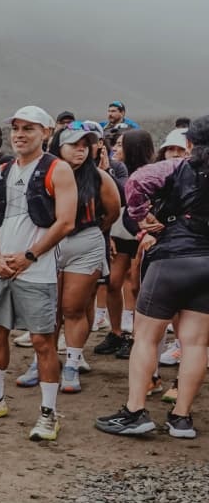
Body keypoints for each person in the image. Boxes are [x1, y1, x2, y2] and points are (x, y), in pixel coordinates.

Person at [0, 106, 76, 441]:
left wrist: (28, 256)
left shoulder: (58, 169)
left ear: (46, 133)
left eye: (29, 128)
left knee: (42, 339)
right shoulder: (2, 171)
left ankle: (49, 412)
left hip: (37, 270)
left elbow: (65, 220)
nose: (20, 134)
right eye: (17, 128)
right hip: (1, 266)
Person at [95, 114, 209, 439]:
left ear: (190, 143)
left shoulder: (176, 168)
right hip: (207, 262)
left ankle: (135, 411)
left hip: (172, 259)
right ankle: (182, 418)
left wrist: (142, 217)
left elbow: (136, 181)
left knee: (146, 335)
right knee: (196, 342)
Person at [17, 124, 119, 393]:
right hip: (49, 242)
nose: (81, 149)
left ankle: (72, 362)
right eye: (74, 144)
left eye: (86, 144)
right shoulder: (42, 176)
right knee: (48, 308)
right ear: (58, 147)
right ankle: (42, 361)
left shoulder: (98, 178)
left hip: (85, 242)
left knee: (73, 307)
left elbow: (112, 212)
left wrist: (94, 230)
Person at [96, 128, 155, 357]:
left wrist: (107, 172)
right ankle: (117, 332)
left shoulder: (149, 173)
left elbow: (124, 193)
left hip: (140, 236)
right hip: (120, 233)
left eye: (121, 145)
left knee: (136, 286)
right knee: (112, 282)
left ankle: (137, 336)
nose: (115, 149)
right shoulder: (118, 169)